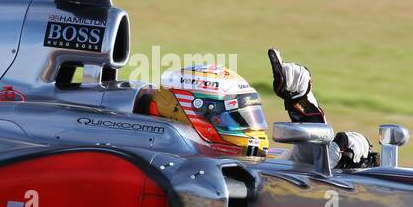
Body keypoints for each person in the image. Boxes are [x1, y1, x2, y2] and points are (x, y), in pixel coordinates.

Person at [141, 50, 372, 167]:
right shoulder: (167, 167)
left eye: (250, 116)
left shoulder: (236, 162)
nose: (250, 128)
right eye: (236, 117)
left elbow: (289, 166)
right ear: (196, 114)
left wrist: (302, 105)